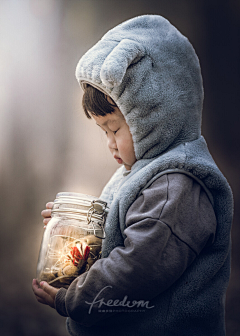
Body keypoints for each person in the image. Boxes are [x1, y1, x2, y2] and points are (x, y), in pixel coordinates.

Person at [32, 14, 233, 336]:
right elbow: (124, 233)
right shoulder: (142, 171)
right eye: (103, 131)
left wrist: (74, 299)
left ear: (157, 112)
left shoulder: (176, 184)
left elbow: (138, 267)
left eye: (115, 128)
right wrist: (76, 231)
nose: (109, 143)